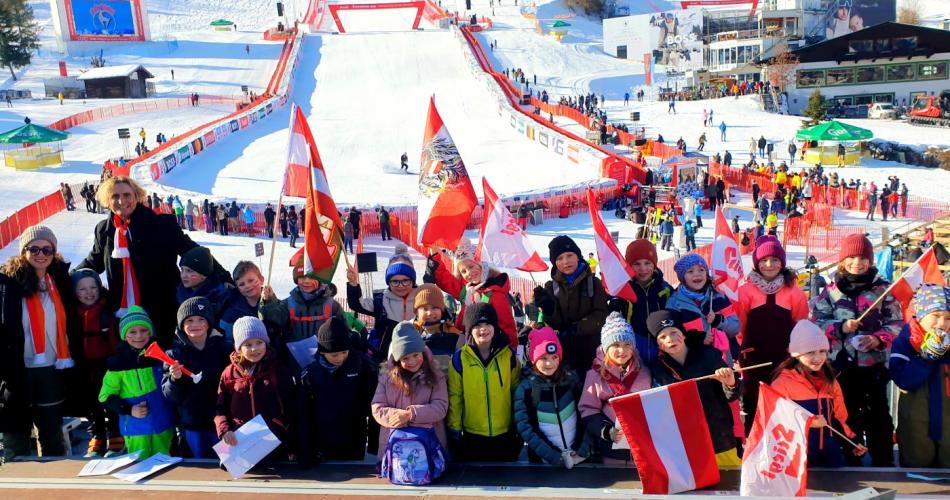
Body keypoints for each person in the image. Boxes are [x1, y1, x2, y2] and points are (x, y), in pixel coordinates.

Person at [79, 176, 230, 346]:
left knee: (165, 356)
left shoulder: (161, 224)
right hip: (125, 315)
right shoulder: (104, 230)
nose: (121, 201)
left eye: (127, 195)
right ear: (107, 199)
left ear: (137, 196)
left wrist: (226, 277)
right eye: (115, 196)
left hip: (162, 310)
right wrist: (64, 276)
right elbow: (94, 261)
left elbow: (195, 253)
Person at [811, 234, 900, 466]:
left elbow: (896, 323)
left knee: (878, 416)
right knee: (847, 415)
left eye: (863, 258)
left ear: (870, 261)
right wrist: (840, 327)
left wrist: (878, 339)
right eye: (852, 258)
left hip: (874, 366)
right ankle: (851, 461)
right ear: (843, 260)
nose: (857, 263)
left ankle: (883, 462)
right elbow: (817, 322)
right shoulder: (831, 291)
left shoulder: (882, 290)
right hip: (842, 368)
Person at [0, 226, 78, 458]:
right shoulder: (8, 283)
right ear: (23, 250)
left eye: (47, 249)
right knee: (15, 434)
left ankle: (54, 476)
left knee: (52, 435)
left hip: (51, 368)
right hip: (17, 370)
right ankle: (16, 476)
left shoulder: (60, 281)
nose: (41, 254)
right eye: (34, 249)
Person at [647, 310, 742, 468]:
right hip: (684, 444)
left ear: (683, 334)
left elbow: (732, 395)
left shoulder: (708, 355)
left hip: (719, 438)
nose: (670, 339)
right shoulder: (658, 368)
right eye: (663, 337)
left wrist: (730, 383)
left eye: (674, 332)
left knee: (728, 480)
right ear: (658, 344)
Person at [735, 236, 809, 433]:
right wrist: (742, 352)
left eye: (775, 260)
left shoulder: (793, 291)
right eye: (764, 260)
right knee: (753, 403)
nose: (769, 265)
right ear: (756, 263)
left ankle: (782, 444)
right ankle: (754, 442)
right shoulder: (745, 290)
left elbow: (801, 323)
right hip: (753, 359)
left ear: (782, 263)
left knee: (783, 403)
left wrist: (798, 354)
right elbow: (740, 326)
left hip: (784, 358)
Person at [771, 320, 866, 467]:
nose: (817, 358)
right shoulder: (782, 383)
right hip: (796, 458)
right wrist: (808, 422)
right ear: (796, 354)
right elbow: (775, 421)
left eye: (822, 351)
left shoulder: (830, 381)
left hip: (830, 456)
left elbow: (839, 418)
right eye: (810, 352)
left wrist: (851, 443)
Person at [448, 303, 522, 462]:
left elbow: (517, 392)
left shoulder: (508, 356)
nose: (483, 329)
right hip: (473, 435)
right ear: (469, 329)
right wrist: (454, 428)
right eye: (477, 325)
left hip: (505, 433)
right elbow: (455, 396)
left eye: (488, 323)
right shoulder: (460, 359)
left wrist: (518, 425)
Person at [215, 317, 296, 463]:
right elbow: (221, 409)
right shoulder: (228, 374)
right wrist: (225, 430)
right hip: (242, 446)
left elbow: (292, 408)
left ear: (266, 343)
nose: (254, 349)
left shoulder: (278, 370)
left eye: (259, 342)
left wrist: (291, 442)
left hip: (275, 444)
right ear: (239, 348)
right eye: (248, 344)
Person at [298, 317, 378, 462]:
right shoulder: (311, 373)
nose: (340, 358)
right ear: (323, 352)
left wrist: (374, 444)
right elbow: (304, 413)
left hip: (354, 441)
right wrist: (306, 449)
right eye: (334, 354)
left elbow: (374, 405)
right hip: (323, 442)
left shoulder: (362, 366)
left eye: (344, 352)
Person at [100, 307, 176, 458]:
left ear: (150, 332)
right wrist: (129, 409)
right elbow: (105, 397)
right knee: (139, 463)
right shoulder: (117, 364)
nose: (139, 336)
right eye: (132, 332)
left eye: (144, 330)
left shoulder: (162, 356)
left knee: (165, 462)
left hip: (164, 423)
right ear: (124, 335)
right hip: (136, 428)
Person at [162, 298, 232, 458]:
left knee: (225, 463)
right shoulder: (174, 355)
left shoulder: (225, 349)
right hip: (191, 425)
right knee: (199, 466)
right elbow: (170, 395)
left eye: (201, 319)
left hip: (222, 423)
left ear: (209, 323)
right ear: (181, 325)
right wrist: (174, 379)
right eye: (189, 320)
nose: (195, 324)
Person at [889, 285, 950, 467]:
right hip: (916, 422)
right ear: (921, 314)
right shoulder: (905, 341)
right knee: (918, 466)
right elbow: (903, 380)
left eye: (948, 318)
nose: (942, 323)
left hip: (947, 422)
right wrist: (925, 358)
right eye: (936, 315)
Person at [371, 322, 448, 464]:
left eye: (416, 355)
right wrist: (397, 416)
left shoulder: (436, 376)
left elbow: (440, 407)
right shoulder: (386, 378)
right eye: (405, 358)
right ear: (397, 359)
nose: (412, 361)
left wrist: (410, 415)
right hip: (395, 452)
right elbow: (377, 408)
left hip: (429, 448)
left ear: (422, 352)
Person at [579, 312, 651, 463]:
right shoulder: (595, 375)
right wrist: (606, 431)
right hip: (611, 446)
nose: (622, 351)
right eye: (616, 345)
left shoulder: (644, 372)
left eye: (627, 345)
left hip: (641, 447)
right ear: (606, 348)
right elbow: (588, 410)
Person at [514, 328, 591, 468]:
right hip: (544, 462)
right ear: (534, 359)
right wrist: (554, 456)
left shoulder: (571, 381)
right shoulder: (527, 388)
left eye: (554, 357)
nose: (549, 363)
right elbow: (526, 428)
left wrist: (581, 450)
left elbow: (585, 416)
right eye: (543, 358)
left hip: (576, 457)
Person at [533, 236, 609, 374]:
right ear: (555, 263)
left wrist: (576, 328)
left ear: (578, 256)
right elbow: (554, 324)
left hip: (591, 351)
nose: (566, 261)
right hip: (564, 354)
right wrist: (548, 310)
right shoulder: (551, 287)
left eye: (569, 255)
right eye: (559, 258)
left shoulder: (593, 283)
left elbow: (601, 315)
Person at [427, 238, 518, 350]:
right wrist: (434, 252)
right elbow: (444, 279)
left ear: (481, 264)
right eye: (463, 271)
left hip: (490, 349)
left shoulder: (495, 294)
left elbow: (507, 327)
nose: (469, 273)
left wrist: (510, 350)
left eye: (471, 266)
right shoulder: (467, 290)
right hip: (467, 347)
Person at [261, 259, 345, 374]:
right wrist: (270, 301)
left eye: (311, 277)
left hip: (325, 363)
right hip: (295, 361)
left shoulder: (332, 305)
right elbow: (277, 319)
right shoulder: (289, 303)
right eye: (302, 277)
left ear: (320, 279)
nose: (306, 281)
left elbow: (344, 332)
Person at [71, 268, 121, 457]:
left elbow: (114, 341)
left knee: (109, 398)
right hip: (83, 364)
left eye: (93, 287)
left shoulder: (106, 311)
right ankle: (98, 434)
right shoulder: (72, 312)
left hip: (105, 363)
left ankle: (116, 434)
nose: (89, 292)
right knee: (90, 401)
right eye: (82, 289)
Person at [348, 244, 418, 363]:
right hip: (386, 358)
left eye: (405, 281)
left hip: (415, 358)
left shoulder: (422, 298)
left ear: (413, 280)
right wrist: (353, 284)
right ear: (388, 282)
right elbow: (357, 305)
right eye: (395, 281)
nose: (400, 286)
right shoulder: (381, 301)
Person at [666, 253, 740, 362]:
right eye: (690, 271)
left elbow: (735, 328)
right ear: (682, 277)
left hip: (724, 361)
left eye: (701, 270)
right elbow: (672, 336)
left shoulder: (718, 296)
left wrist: (718, 321)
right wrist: (698, 339)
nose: (697, 275)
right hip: (695, 362)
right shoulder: (674, 303)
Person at [412, 283, 464, 375]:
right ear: (417, 312)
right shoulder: (411, 335)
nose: (430, 313)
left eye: (435, 308)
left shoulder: (454, 335)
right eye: (425, 309)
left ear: (442, 310)